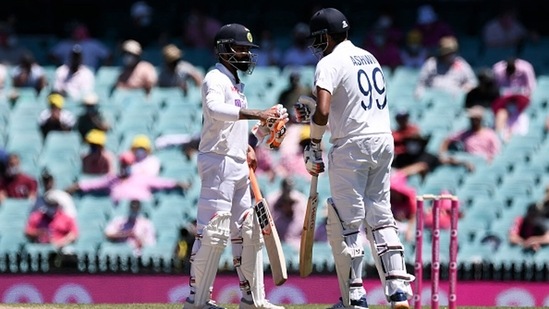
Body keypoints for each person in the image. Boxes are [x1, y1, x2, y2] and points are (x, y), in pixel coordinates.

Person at [293, 8, 414, 309]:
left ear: (326, 36)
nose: (316, 44)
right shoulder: (368, 56)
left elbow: (323, 110)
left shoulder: (328, 62)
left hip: (352, 146)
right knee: (380, 215)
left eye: (318, 38)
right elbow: (345, 107)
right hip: (383, 140)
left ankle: (355, 297)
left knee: (347, 221)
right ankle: (398, 289)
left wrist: (314, 142)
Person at [183, 23, 288, 309]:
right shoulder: (213, 78)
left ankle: (253, 300)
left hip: (238, 162)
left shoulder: (235, 84)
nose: (245, 54)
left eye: (247, 50)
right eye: (240, 48)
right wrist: (257, 113)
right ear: (223, 49)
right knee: (214, 232)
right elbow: (216, 111)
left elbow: (235, 131)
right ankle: (197, 301)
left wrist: (261, 134)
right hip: (217, 162)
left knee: (248, 231)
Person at [66, 152, 189, 204]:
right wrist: (76, 186)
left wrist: (178, 183)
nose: (125, 167)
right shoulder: (112, 179)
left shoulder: (141, 177)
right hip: (120, 214)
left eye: (128, 164)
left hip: (139, 210)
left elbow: (161, 183)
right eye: (123, 164)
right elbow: (93, 184)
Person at [414, 36, 477, 100]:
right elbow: (421, 82)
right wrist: (420, 92)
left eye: (453, 52)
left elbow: (473, 83)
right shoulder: (432, 63)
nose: (451, 55)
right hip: (433, 98)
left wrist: (462, 91)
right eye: (448, 53)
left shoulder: (461, 65)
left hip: (452, 100)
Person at [266, 177, 307, 251]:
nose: (288, 205)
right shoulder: (273, 199)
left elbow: (307, 227)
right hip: (277, 244)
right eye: (285, 203)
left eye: (291, 203)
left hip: (297, 245)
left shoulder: (301, 200)